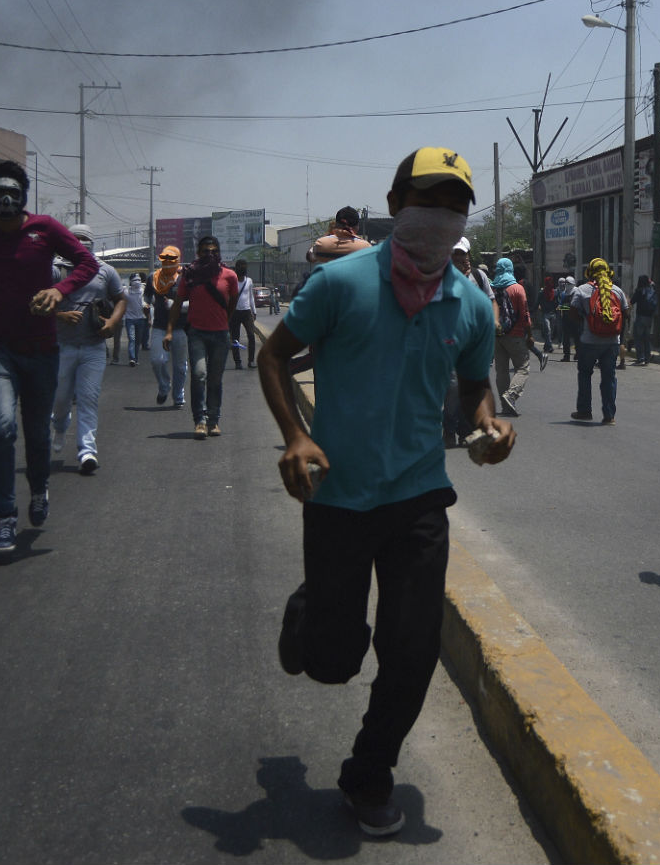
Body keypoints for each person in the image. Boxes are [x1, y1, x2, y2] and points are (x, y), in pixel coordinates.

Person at [258, 147, 515, 837]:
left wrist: (488, 424)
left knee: (413, 649)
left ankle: (369, 773)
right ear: (396, 204)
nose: (440, 217)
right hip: (339, 498)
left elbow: (474, 388)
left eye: (454, 206)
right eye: (427, 200)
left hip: (419, 497)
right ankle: (310, 611)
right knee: (333, 662)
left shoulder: (471, 305)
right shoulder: (339, 283)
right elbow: (272, 355)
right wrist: (294, 437)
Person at [0, 160, 99, 552]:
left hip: (41, 349)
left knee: (35, 431)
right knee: (1, 428)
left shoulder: (45, 229)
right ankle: (5, 517)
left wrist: (59, 290)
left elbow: (88, 263)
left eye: (12, 193)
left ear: (23, 197)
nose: (5, 200)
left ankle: (38, 487)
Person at [50, 226, 126, 474]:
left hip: (93, 347)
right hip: (62, 346)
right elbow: (37, 301)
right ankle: (60, 426)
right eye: (75, 239)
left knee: (88, 399)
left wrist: (113, 322)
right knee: (60, 400)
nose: (81, 243)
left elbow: (120, 299)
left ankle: (87, 451)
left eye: (85, 239)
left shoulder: (105, 270)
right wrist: (60, 315)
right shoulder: (56, 270)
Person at [165, 235, 238, 438]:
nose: (210, 254)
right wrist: (169, 331)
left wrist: (225, 320)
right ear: (198, 253)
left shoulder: (229, 276)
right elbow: (177, 304)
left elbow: (232, 301)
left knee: (215, 379)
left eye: (214, 251)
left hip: (220, 335)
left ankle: (213, 421)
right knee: (199, 374)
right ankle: (200, 420)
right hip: (197, 333)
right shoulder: (190, 275)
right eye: (206, 251)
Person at [444, 237, 496, 445]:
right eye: (455, 254)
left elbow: (491, 301)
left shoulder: (479, 276)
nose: (459, 258)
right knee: (453, 387)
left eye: (462, 253)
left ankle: (465, 430)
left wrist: (494, 321)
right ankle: (449, 427)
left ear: (468, 255)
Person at [570, 258, 630, 424]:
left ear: (589, 272)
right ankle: (609, 416)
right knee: (609, 378)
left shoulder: (582, 290)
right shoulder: (617, 291)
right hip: (612, 342)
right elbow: (626, 314)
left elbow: (572, 313)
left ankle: (584, 411)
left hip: (589, 341)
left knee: (585, 374)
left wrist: (586, 321)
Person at [490, 258, 535, 417]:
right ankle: (511, 395)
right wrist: (530, 335)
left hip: (497, 336)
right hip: (515, 335)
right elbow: (525, 314)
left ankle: (506, 407)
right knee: (523, 368)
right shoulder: (517, 288)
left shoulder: (492, 289)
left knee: (501, 371)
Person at [147, 246, 188, 407]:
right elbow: (147, 297)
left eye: (171, 259)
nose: (168, 262)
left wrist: (177, 305)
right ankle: (164, 386)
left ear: (178, 259)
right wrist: (146, 305)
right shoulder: (153, 278)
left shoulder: (184, 278)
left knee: (180, 366)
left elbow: (195, 302)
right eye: (165, 259)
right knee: (157, 360)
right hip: (159, 326)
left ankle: (178, 396)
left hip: (180, 327)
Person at [229, 259, 258, 370]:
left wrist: (254, 311)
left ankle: (251, 361)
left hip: (247, 312)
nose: (243, 268)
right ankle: (238, 362)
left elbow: (251, 297)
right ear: (236, 269)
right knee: (235, 338)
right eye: (241, 266)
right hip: (235, 312)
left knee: (251, 336)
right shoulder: (232, 281)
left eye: (244, 266)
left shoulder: (249, 281)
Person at [122, 272, 149, 367]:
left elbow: (148, 299)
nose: (137, 282)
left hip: (140, 319)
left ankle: (136, 358)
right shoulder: (126, 292)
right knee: (132, 339)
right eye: (135, 280)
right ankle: (132, 358)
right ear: (130, 281)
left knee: (138, 341)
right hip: (129, 319)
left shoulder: (143, 290)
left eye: (138, 280)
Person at [630, 274, 657, 365]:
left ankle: (640, 358)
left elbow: (632, 301)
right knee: (646, 338)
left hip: (641, 317)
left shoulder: (640, 291)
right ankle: (647, 358)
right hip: (649, 318)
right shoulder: (652, 290)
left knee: (638, 338)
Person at [557, 275, 580, 361]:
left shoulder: (577, 291)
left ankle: (578, 354)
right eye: (565, 283)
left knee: (577, 337)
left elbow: (575, 305)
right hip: (566, 318)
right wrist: (562, 307)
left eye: (568, 283)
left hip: (575, 318)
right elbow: (561, 305)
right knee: (566, 338)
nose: (566, 285)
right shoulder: (564, 293)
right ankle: (566, 355)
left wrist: (566, 307)